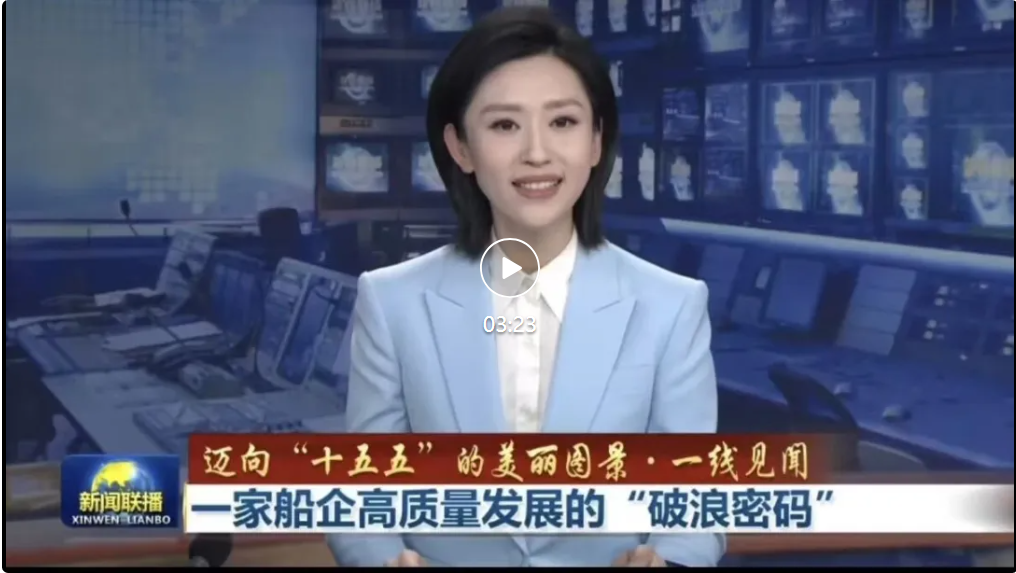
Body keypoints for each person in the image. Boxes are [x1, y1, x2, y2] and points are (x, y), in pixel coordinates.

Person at [328, 6, 721, 567]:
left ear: (596, 141)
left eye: (562, 122)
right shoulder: (392, 301)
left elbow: (696, 508)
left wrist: (670, 559)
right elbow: (361, 497)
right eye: (504, 126)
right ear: (461, 147)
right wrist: (382, 559)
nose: (537, 152)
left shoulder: (671, 306)